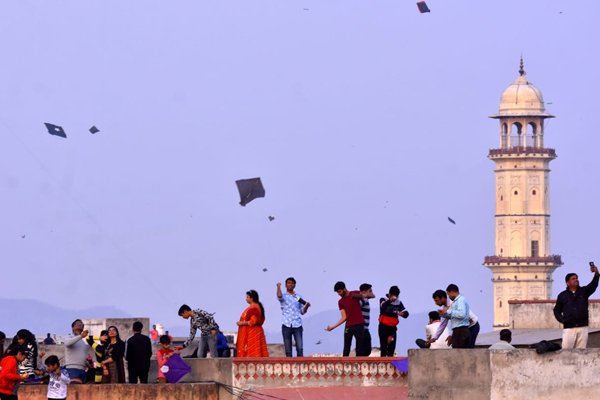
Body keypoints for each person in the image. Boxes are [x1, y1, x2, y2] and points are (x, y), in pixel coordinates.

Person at [553, 264, 600, 349]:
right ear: (567, 282)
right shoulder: (562, 295)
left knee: (581, 352)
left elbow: (594, 285)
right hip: (569, 328)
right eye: (573, 279)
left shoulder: (584, 291)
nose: (576, 280)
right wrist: (562, 320)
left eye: (577, 278)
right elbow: (556, 310)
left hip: (583, 327)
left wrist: (596, 273)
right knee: (566, 351)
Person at [325, 281, 367, 357]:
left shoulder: (354, 293)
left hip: (359, 324)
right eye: (337, 293)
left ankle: (359, 367)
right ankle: (344, 367)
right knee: (346, 349)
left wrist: (361, 295)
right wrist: (333, 327)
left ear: (344, 289)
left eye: (339, 291)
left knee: (359, 349)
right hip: (349, 326)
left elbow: (368, 295)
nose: (339, 294)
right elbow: (344, 317)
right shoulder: (340, 302)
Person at [276, 277, 311, 357]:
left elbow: (302, 311)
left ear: (294, 285)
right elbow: (279, 296)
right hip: (286, 324)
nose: (290, 284)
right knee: (288, 350)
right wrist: (278, 286)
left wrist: (306, 306)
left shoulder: (298, 296)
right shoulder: (283, 296)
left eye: (292, 283)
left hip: (297, 324)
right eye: (288, 283)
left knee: (300, 348)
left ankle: (300, 367)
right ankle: (290, 368)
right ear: (286, 285)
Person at [236, 290, 269, 357]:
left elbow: (253, 321)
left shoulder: (254, 307)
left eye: (247, 297)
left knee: (253, 351)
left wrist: (242, 323)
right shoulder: (254, 306)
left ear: (252, 298)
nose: (246, 298)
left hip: (253, 332)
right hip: (253, 331)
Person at [378, 285, 409, 356]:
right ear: (389, 294)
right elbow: (383, 307)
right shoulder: (383, 299)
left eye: (396, 297)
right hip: (383, 326)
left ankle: (390, 364)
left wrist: (402, 314)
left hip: (392, 328)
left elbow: (406, 314)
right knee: (383, 348)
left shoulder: (398, 302)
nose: (395, 298)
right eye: (393, 296)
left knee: (391, 349)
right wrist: (390, 300)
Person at [438, 284, 471, 349]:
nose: (449, 297)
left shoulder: (460, 300)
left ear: (452, 292)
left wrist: (447, 312)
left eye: (448, 294)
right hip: (458, 330)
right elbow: (453, 315)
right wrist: (443, 314)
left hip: (461, 330)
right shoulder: (455, 302)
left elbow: (461, 314)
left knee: (458, 352)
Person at [63, 319, 89, 384]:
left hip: (83, 369)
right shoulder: (69, 336)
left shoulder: (82, 341)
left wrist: (87, 362)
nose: (80, 324)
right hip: (72, 369)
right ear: (73, 327)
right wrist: (81, 336)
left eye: (82, 324)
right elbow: (67, 343)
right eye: (78, 323)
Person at [359, 283, 376, 356]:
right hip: (363, 329)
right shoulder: (363, 300)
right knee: (365, 349)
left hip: (365, 328)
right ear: (364, 292)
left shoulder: (365, 300)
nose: (372, 292)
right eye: (370, 291)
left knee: (365, 349)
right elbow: (357, 306)